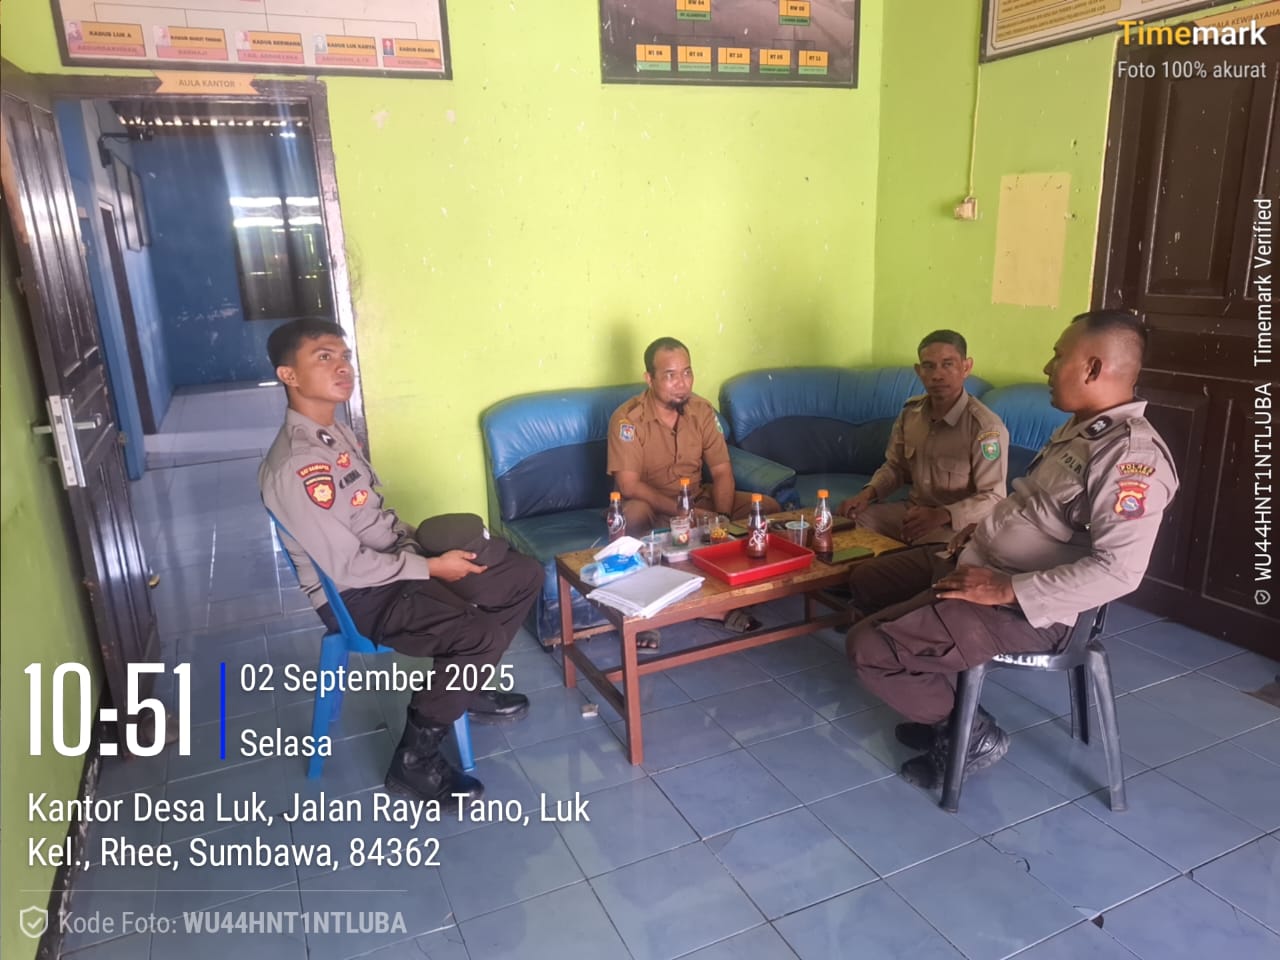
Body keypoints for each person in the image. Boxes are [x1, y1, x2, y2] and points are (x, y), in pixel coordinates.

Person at [847, 310, 1177, 790]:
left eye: (1058, 356)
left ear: (1092, 367)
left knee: (868, 648)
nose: (1047, 368)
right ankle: (942, 710)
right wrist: (976, 533)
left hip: (1032, 610)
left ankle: (971, 733)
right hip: (983, 565)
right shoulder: (1080, 430)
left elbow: (1119, 571)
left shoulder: (1130, 457)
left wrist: (1006, 589)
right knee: (866, 583)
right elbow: (1029, 510)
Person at [259, 318, 542, 804]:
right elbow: (348, 568)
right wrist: (433, 567)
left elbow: (373, 517)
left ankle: (464, 687)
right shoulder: (298, 464)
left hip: (393, 562)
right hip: (356, 596)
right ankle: (414, 760)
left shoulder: (334, 432)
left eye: (344, 356)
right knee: (474, 632)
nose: (342, 366)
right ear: (289, 375)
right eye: (324, 357)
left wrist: (425, 546)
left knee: (520, 575)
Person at [607, 336, 780, 644]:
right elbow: (628, 485)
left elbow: (722, 470)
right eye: (670, 375)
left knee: (766, 509)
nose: (682, 384)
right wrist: (685, 513)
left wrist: (721, 520)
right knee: (632, 515)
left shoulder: (701, 410)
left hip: (699, 500)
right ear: (649, 378)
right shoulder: (628, 419)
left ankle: (724, 597)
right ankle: (644, 614)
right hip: (653, 507)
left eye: (687, 372)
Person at [839, 330, 1009, 618]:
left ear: (966, 367)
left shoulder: (985, 428)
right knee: (850, 522)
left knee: (933, 562)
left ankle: (886, 609)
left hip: (953, 526)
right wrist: (867, 494)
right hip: (911, 512)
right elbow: (895, 467)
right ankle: (860, 598)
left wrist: (942, 515)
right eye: (929, 366)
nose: (937, 375)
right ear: (919, 371)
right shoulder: (911, 413)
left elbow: (994, 497)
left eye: (948, 364)